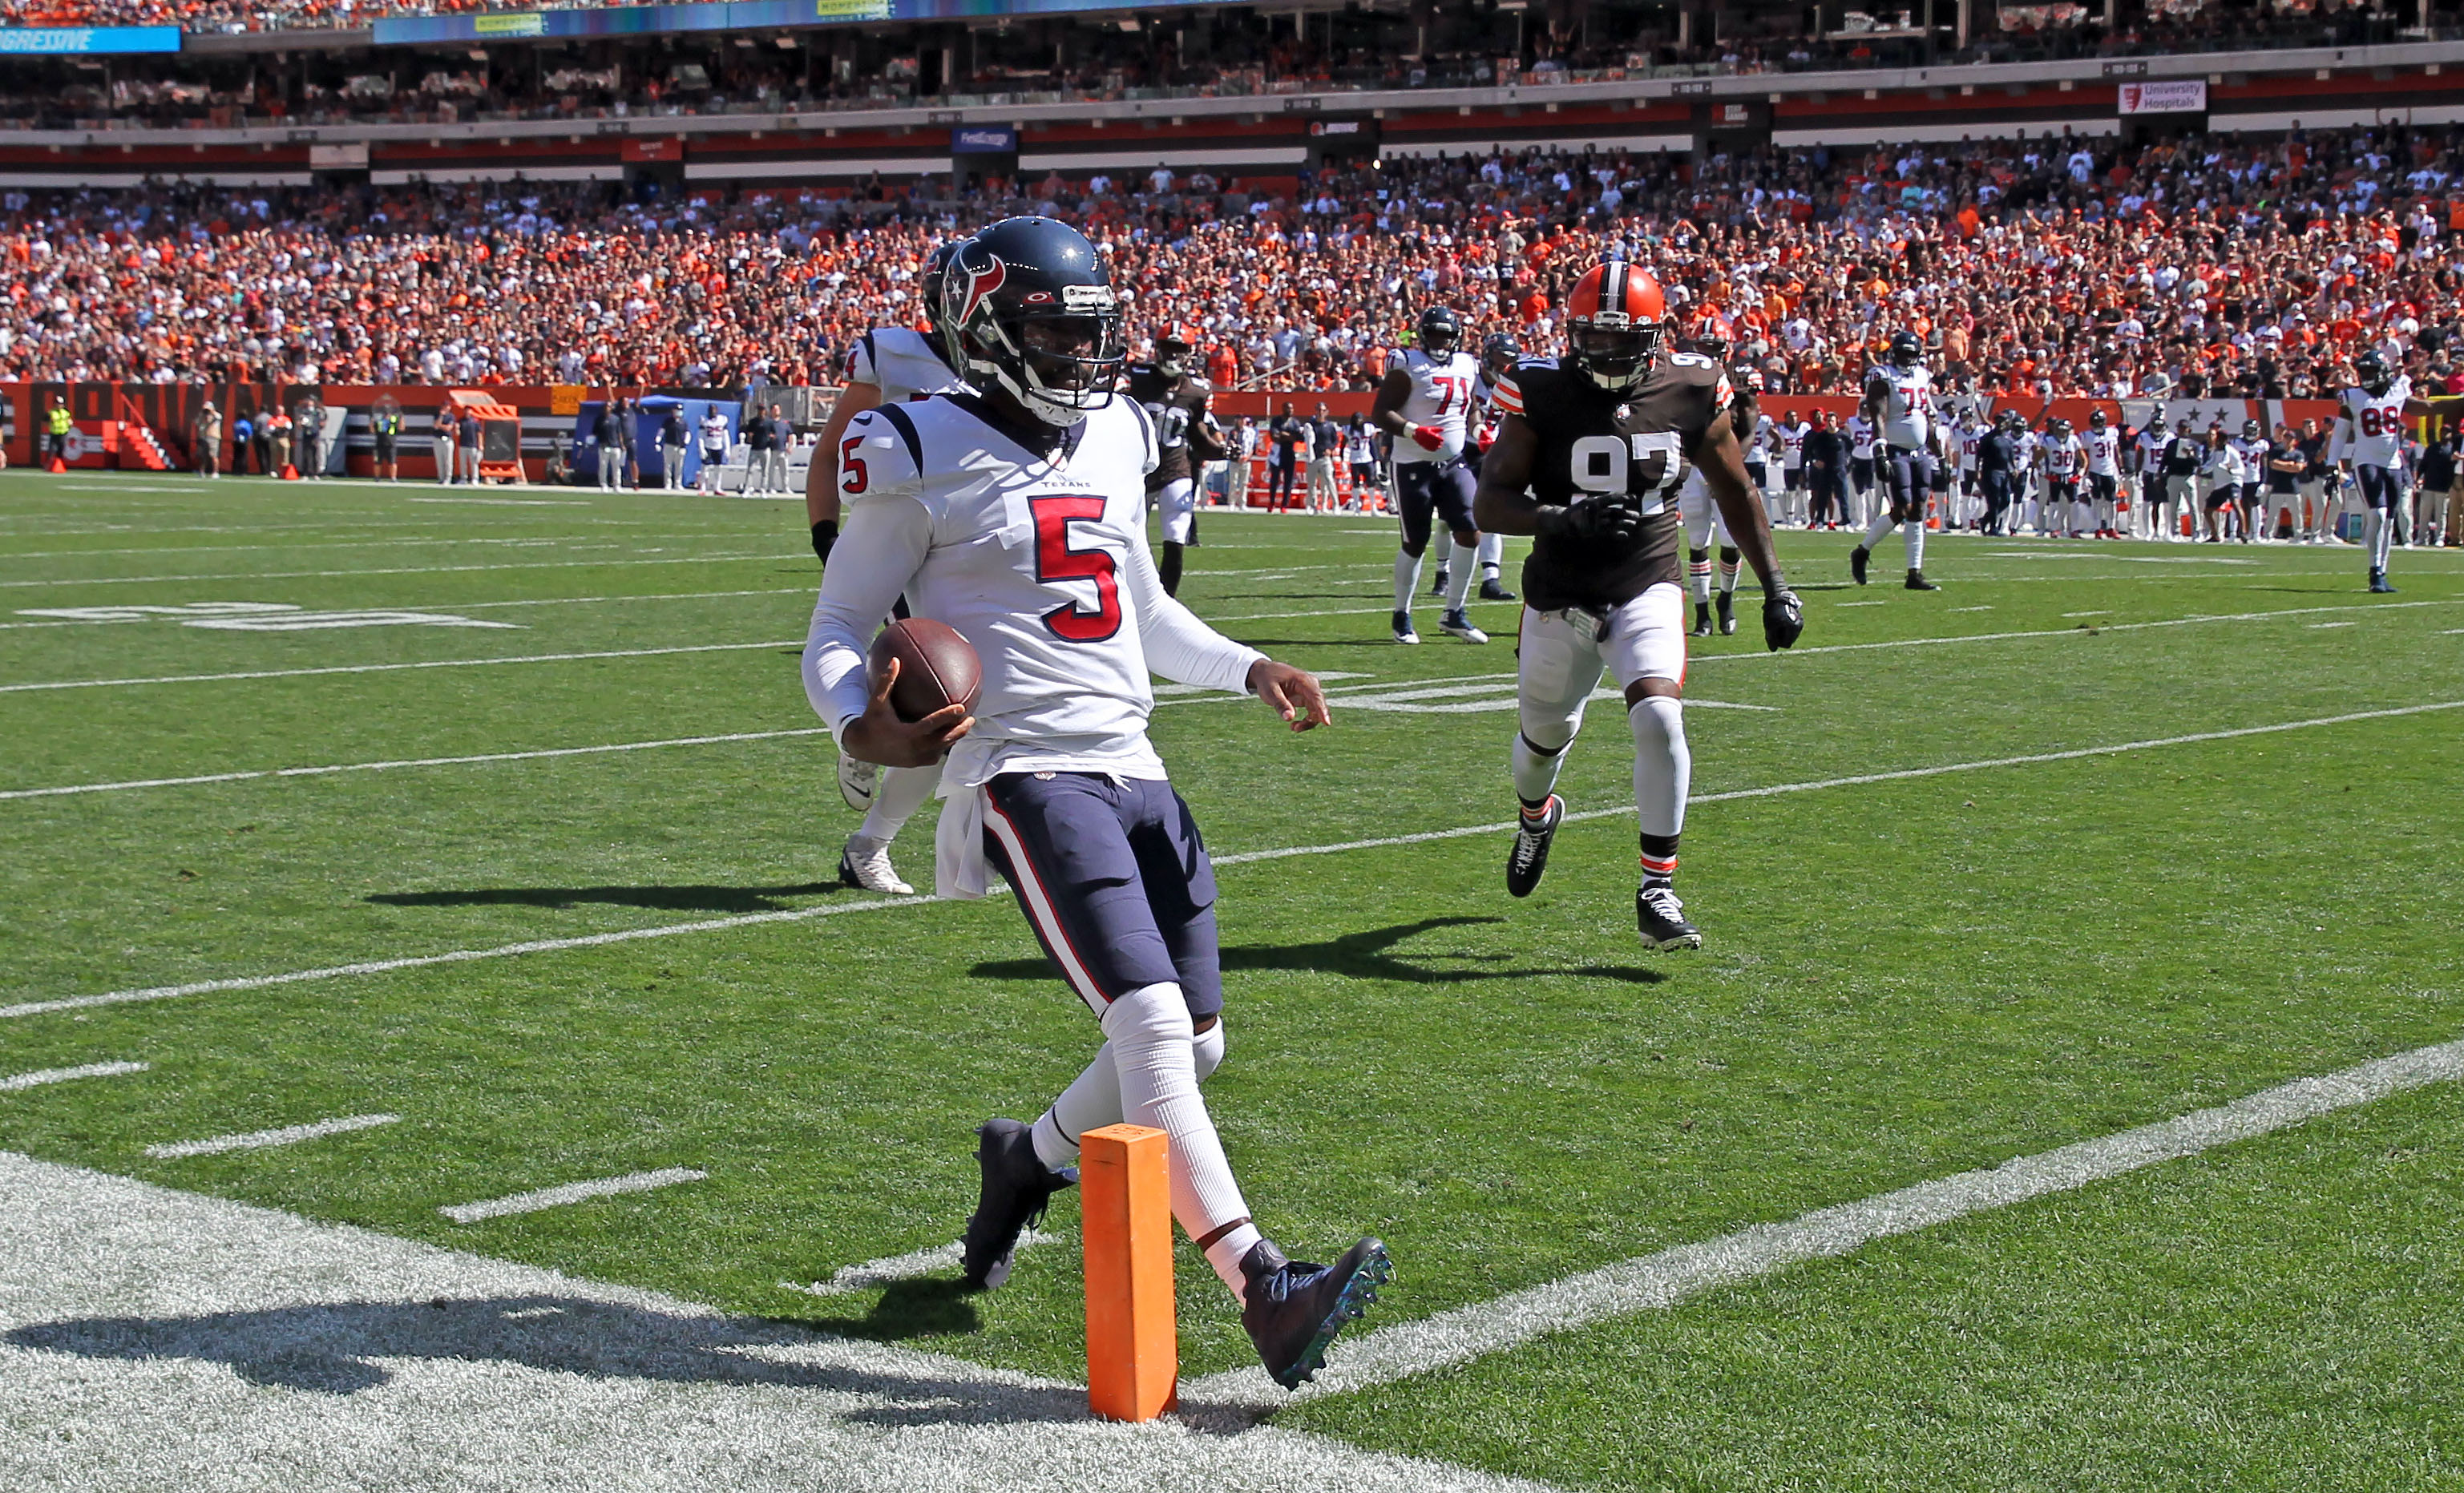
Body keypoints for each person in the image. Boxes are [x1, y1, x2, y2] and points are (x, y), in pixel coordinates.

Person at [802, 216, 1388, 1390]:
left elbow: (1138, 608)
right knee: (1153, 1027)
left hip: (1134, 758)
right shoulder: (911, 440)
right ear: (982, 328)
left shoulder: (1116, 426)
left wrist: (1246, 665)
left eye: (1091, 330)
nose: (1082, 353)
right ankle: (1261, 1282)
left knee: (1199, 1042)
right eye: (1055, 329)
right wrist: (857, 723)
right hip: (1022, 769)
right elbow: (833, 627)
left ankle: (1026, 1159)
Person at [1472, 260, 1803, 953]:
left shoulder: (1692, 384)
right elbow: (1490, 500)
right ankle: (1537, 816)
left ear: (1656, 337)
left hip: (1645, 580)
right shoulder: (1540, 387)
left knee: (1658, 714)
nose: (1605, 354)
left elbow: (1736, 488)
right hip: (1559, 593)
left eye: (1621, 341)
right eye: (1592, 338)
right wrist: (1560, 517)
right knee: (1539, 747)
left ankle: (1658, 888)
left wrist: (1777, 586)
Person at [807, 239, 972, 895]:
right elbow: (829, 452)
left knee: (961, 707)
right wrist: (826, 533)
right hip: (910, 541)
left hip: (977, 542)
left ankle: (876, 839)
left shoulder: (1013, 362)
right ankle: (870, 825)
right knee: (940, 703)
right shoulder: (896, 353)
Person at [1374, 305, 1486, 645]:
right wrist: (1412, 430)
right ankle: (1401, 614)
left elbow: (1470, 407)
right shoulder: (1406, 364)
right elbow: (1380, 412)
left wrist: (1479, 427)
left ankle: (1455, 612)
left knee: (1470, 532)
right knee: (1415, 543)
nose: (1440, 341)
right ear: (1422, 335)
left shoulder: (1467, 364)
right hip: (1412, 465)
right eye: (1434, 334)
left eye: (1446, 335)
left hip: (1453, 463)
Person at [1125, 325, 1228, 596]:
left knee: (1175, 536)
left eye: (1180, 350)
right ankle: (1127, 594)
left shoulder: (1197, 391)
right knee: (1128, 538)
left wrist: (1222, 451)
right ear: (1158, 349)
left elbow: (1198, 435)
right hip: (1137, 471)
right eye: (1169, 348)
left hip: (1175, 469)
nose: (1173, 355)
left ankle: (1165, 601)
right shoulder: (1136, 379)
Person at [1847, 329, 1944, 590]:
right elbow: (1878, 415)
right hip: (1896, 449)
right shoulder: (1883, 375)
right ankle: (1862, 551)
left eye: (1911, 353)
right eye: (1903, 353)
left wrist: (1940, 454)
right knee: (1902, 508)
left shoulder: (1923, 375)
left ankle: (1914, 573)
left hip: (1920, 450)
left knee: (1919, 509)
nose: (1907, 358)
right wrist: (1879, 449)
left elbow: (1928, 417)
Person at [1678, 350, 1759, 636]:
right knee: (1698, 541)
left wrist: (1728, 466)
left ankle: (1725, 602)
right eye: (1705, 346)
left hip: (1725, 466)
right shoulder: (1682, 376)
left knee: (1729, 540)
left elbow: (1749, 431)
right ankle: (1702, 614)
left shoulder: (1740, 380)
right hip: (1694, 469)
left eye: (1715, 347)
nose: (1710, 354)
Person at [2038, 415, 2082, 539]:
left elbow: (2083, 459)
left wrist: (2080, 474)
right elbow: (2037, 457)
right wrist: (2043, 471)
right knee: (2054, 503)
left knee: (2074, 503)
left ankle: (2075, 529)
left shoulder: (2074, 440)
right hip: (2055, 475)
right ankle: (2054, 528)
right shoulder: (2049, 440)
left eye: (2064, 430)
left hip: (2069, 475)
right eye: (2060, 430)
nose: (2062, 433)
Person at [2083, 407, 2123, 539]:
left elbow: (2116, 452)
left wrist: (2120, 469)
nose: (2099, 424)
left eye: (2100, 422)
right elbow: (2084, 455)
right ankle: (2097, 528)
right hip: (2095, 472)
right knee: (2097, 502)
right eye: (2097, 422)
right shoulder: (2086, 436)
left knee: (2112, 501)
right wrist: (2084, 474)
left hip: (2109, 471)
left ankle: (2111, 527)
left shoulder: (2112, 433)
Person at [1305, 400, 1340, 514]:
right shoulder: (1311, 425)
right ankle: (1313, 505)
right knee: (1312, 484)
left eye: (1323, 410)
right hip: (1313, 457)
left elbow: (1335, 439)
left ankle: (1334, 505)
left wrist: (1330, 449)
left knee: (1329, 481)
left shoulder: (1329, 426)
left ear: (1327, 412)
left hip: (1325, 458)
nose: (1321, 413)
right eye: (1319, 410)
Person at [1266, 401, 1302, 510]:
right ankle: (1272, 502)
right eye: (1288, 408)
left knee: (1289, 480)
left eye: (1292, 408)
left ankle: (1284, 504)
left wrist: (1285, 435)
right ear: (1283, 409)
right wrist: (1288, 436)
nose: (1290, 410)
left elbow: (1299, 438)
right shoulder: (1276, 421)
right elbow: (1275, 436)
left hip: (1289, 452)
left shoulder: (1295, 422)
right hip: (1278, 452)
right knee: (1275, 479)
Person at [742, 401, 778, 494]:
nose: (760, 412)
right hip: (755, 448)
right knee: (750, 470)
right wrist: (750, 436)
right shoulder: (753, 421)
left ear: (765, 411)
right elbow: (749, 432)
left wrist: (771, 438)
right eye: (759, 410)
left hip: (765, 448)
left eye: (762, 410)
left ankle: (763, 489)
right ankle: (747, 488)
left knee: (764, 471)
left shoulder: (769, 422)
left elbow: (774, 433)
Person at [697, 405, 732, 494]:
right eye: (710, 410)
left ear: (717, 410)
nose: (712, 411)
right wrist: (701, 448)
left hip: (718, 446)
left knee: (718, 468)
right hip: (708, 446)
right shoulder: (704, 420)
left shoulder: (722, 420)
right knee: (705, 468)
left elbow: (726, 436)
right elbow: (700, 436)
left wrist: (727, 449)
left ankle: (717, 487)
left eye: (714, 409)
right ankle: (703, 488)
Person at [659, 404, 689, 490]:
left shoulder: (684, 422)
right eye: (677, 409)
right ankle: (668, 483)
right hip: (669, 446)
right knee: (668, 466)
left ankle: (678, 483)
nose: (678, 411)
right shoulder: (668, 421)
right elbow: (661, 431)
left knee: (679, 466)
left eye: (680, 410)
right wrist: (658, 440)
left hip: (680, 447)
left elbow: (687, 433)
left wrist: (685, 442)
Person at [192, 397, 222, 479]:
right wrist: (202, 415)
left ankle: (215, 472)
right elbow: (197, 423)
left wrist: (211, 412)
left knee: (213, 455)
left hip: (213, 437)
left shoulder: (217, 415)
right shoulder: (202, 415)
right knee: (203, 456)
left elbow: (218, 418)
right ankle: (202, 471)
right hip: (204, 437)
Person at [371, 403, 402, 481]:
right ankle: (377, 477)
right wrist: (371, 422)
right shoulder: (379, 421)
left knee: (392, 462)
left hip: (391, 444)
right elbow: (373, 430)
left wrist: (402, 418)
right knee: (377, 462)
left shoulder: (394, 420)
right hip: (379, 444)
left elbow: (401, 428)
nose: (387, 414)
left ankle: (393, 478)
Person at [431, 406, 456, 485]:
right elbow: (435, 426)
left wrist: (441, 426)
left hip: (447, 440)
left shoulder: (451, 416)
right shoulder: (437, 415)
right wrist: (441, 417)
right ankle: (441, 478)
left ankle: (448, 478)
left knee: (448, 460)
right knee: (439, 460)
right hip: (438, 439)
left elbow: (449, 428)